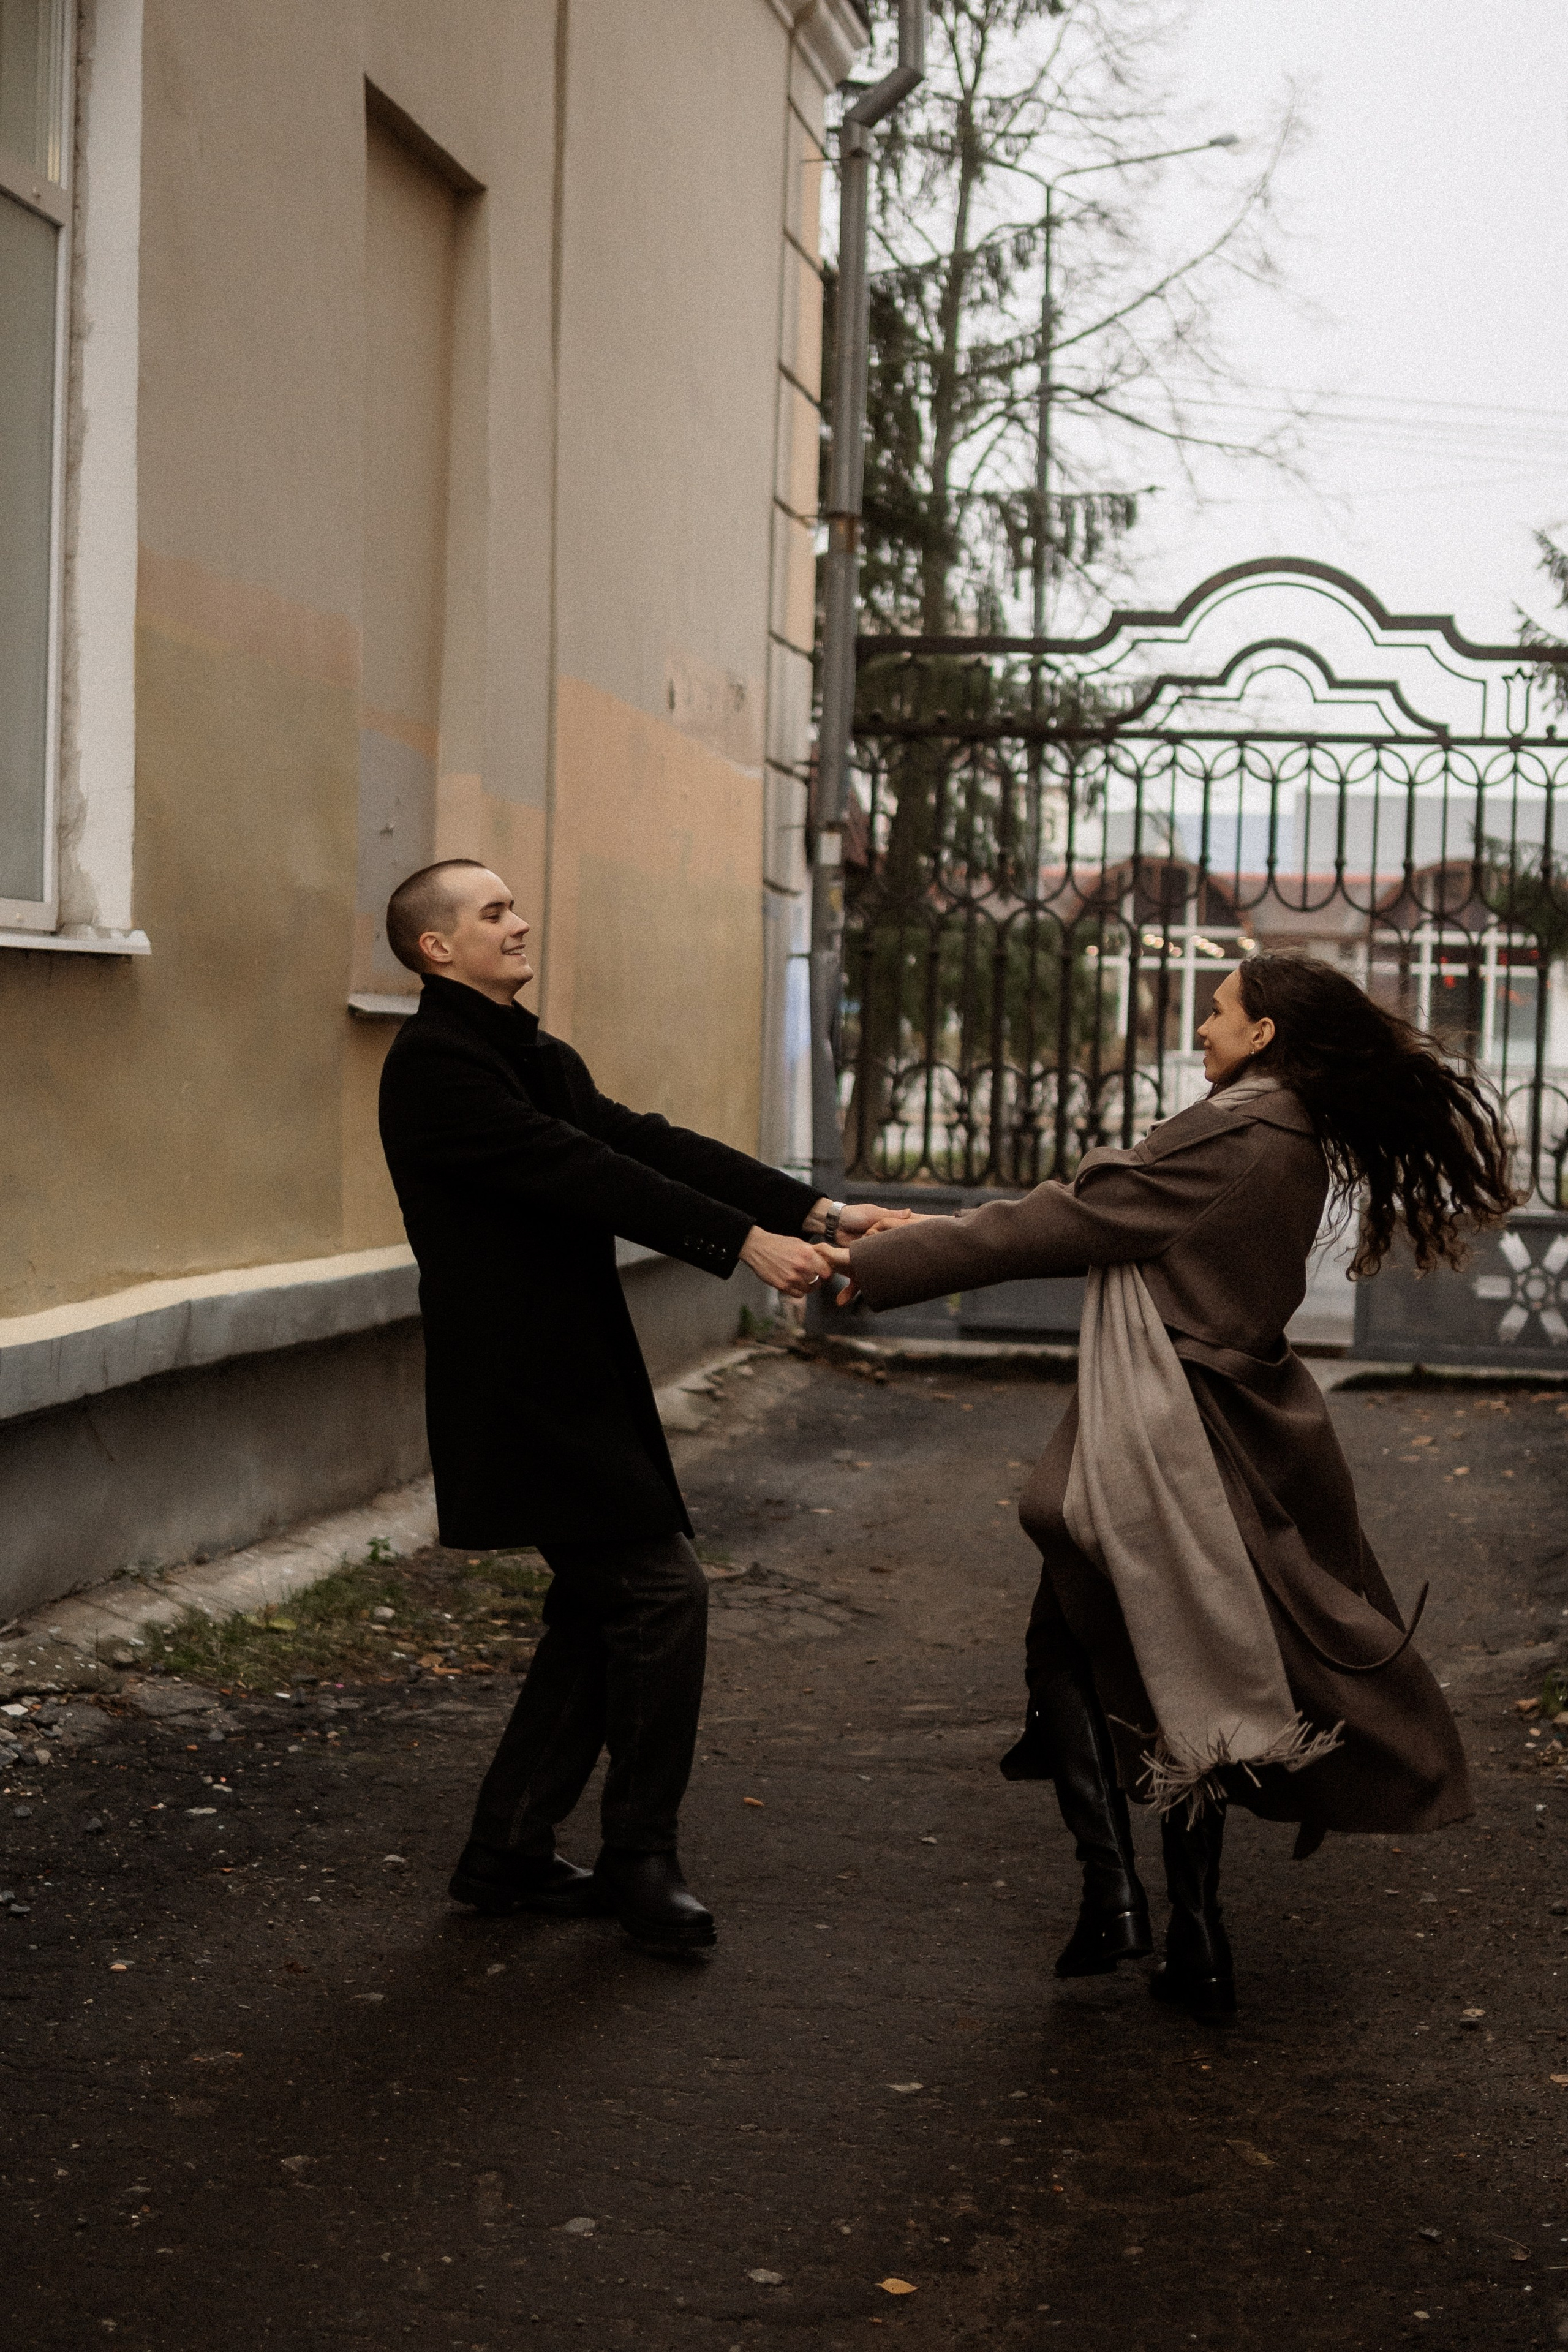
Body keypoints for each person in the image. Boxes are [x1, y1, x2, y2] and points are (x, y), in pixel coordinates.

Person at [824, 954, 1515, 2021]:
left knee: (1112, 1657)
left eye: (1219, 1011)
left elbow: (1067, 1221)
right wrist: (912, 1230)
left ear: (1266, 1032)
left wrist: (877, 1264)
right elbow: (1095, 1210)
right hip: (1228, 1417)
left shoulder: (1237, 1128)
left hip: (1169, 1434)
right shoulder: (1286, 1131)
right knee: (1176, 1661)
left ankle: (1124, 1903)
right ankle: (1179, 1932)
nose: (1201, 1026)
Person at [377, 859, 878, 1950]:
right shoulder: (436, 1067)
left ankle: (507, 1849)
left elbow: (640, 1142)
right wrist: (742, 1241)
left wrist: (817, 1207)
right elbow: (582, 1173)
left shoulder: (528, 1053)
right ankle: (640, 1855)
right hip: (517, 1389)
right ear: (436, 950)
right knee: (658, 1598)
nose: (518, 922)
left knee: (603, 1608)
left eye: (514, 904)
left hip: (574, 1377)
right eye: (493, 912)